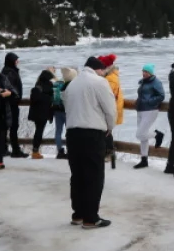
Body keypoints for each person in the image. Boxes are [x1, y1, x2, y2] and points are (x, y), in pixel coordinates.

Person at [63, 57, 117, 228]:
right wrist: (110, 127)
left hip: (72, 133)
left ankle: (78, 213)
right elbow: (110, 109)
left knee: (77, 175)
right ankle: (91, 217)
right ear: (98, 69)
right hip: (92, 133)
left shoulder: (72, 84)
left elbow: (66, 106)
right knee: (94, 175)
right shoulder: (99, 82)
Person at [134, 64, 165, 169]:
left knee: (140, 134)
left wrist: (149, 102)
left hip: (150, 110)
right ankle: (144, 160)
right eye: (143, 71)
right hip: (140, 110)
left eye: (146, 71)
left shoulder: (156, 82)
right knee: (143, 137)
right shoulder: (143, 81)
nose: (144, 73)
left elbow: (161, 95)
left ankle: (157, 135)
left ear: (151, 73)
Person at [100, 54, 124, 168]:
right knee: (105, 130)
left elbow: (107, 95)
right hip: (109, 108)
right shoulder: (108, 77)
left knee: (106, 131)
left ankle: (110, 152)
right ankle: (107, 151)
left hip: (110, 108)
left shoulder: (110, 79)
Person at [1, 53, 26, 159]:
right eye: (16, 60)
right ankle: (15, 150)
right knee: (13, 127)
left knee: (7, 127)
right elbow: (10, 88)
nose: (17, 61)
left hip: (10, 103)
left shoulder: (8, 71)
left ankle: (4, 148)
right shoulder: (9, 72)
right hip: (11, 104)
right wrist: (15, 97)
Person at [28, 69, 56, 160]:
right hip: (44, 112)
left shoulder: (37, 85)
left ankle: (35, 151)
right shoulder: (49, 86)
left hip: (36, 112)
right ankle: (35, 151)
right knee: (39, 131)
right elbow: (53, 98)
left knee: (38, 131)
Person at [53, 67, 75, 160]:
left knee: (58, 131)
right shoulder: (70, 84)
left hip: (57, 110)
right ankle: (70, 150)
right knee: (69, 132)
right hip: (67, 111)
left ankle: (60, 151)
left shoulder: (57, 83)